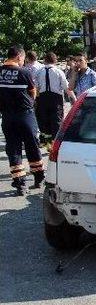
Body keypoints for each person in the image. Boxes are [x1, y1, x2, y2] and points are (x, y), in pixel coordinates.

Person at [0, 45, 45, 195]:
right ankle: (38, 178)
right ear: (19, 56)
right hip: (25, 115)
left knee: (13, 149)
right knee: (32, 146)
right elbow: (33, 93)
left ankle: (20, 185)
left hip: (7, 116)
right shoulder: (24, 72)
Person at [34, 52, 76, 145]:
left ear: (45, 60)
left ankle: (46, 142)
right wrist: (74, 98)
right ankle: (55, 142)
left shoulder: (39, 71)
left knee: (44, 120)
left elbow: (36, 87)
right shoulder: (58, 71)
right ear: (55, 60)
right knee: (56, 120)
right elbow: (66, 87)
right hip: (55, 99)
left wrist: (36, 100)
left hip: (42, 98)